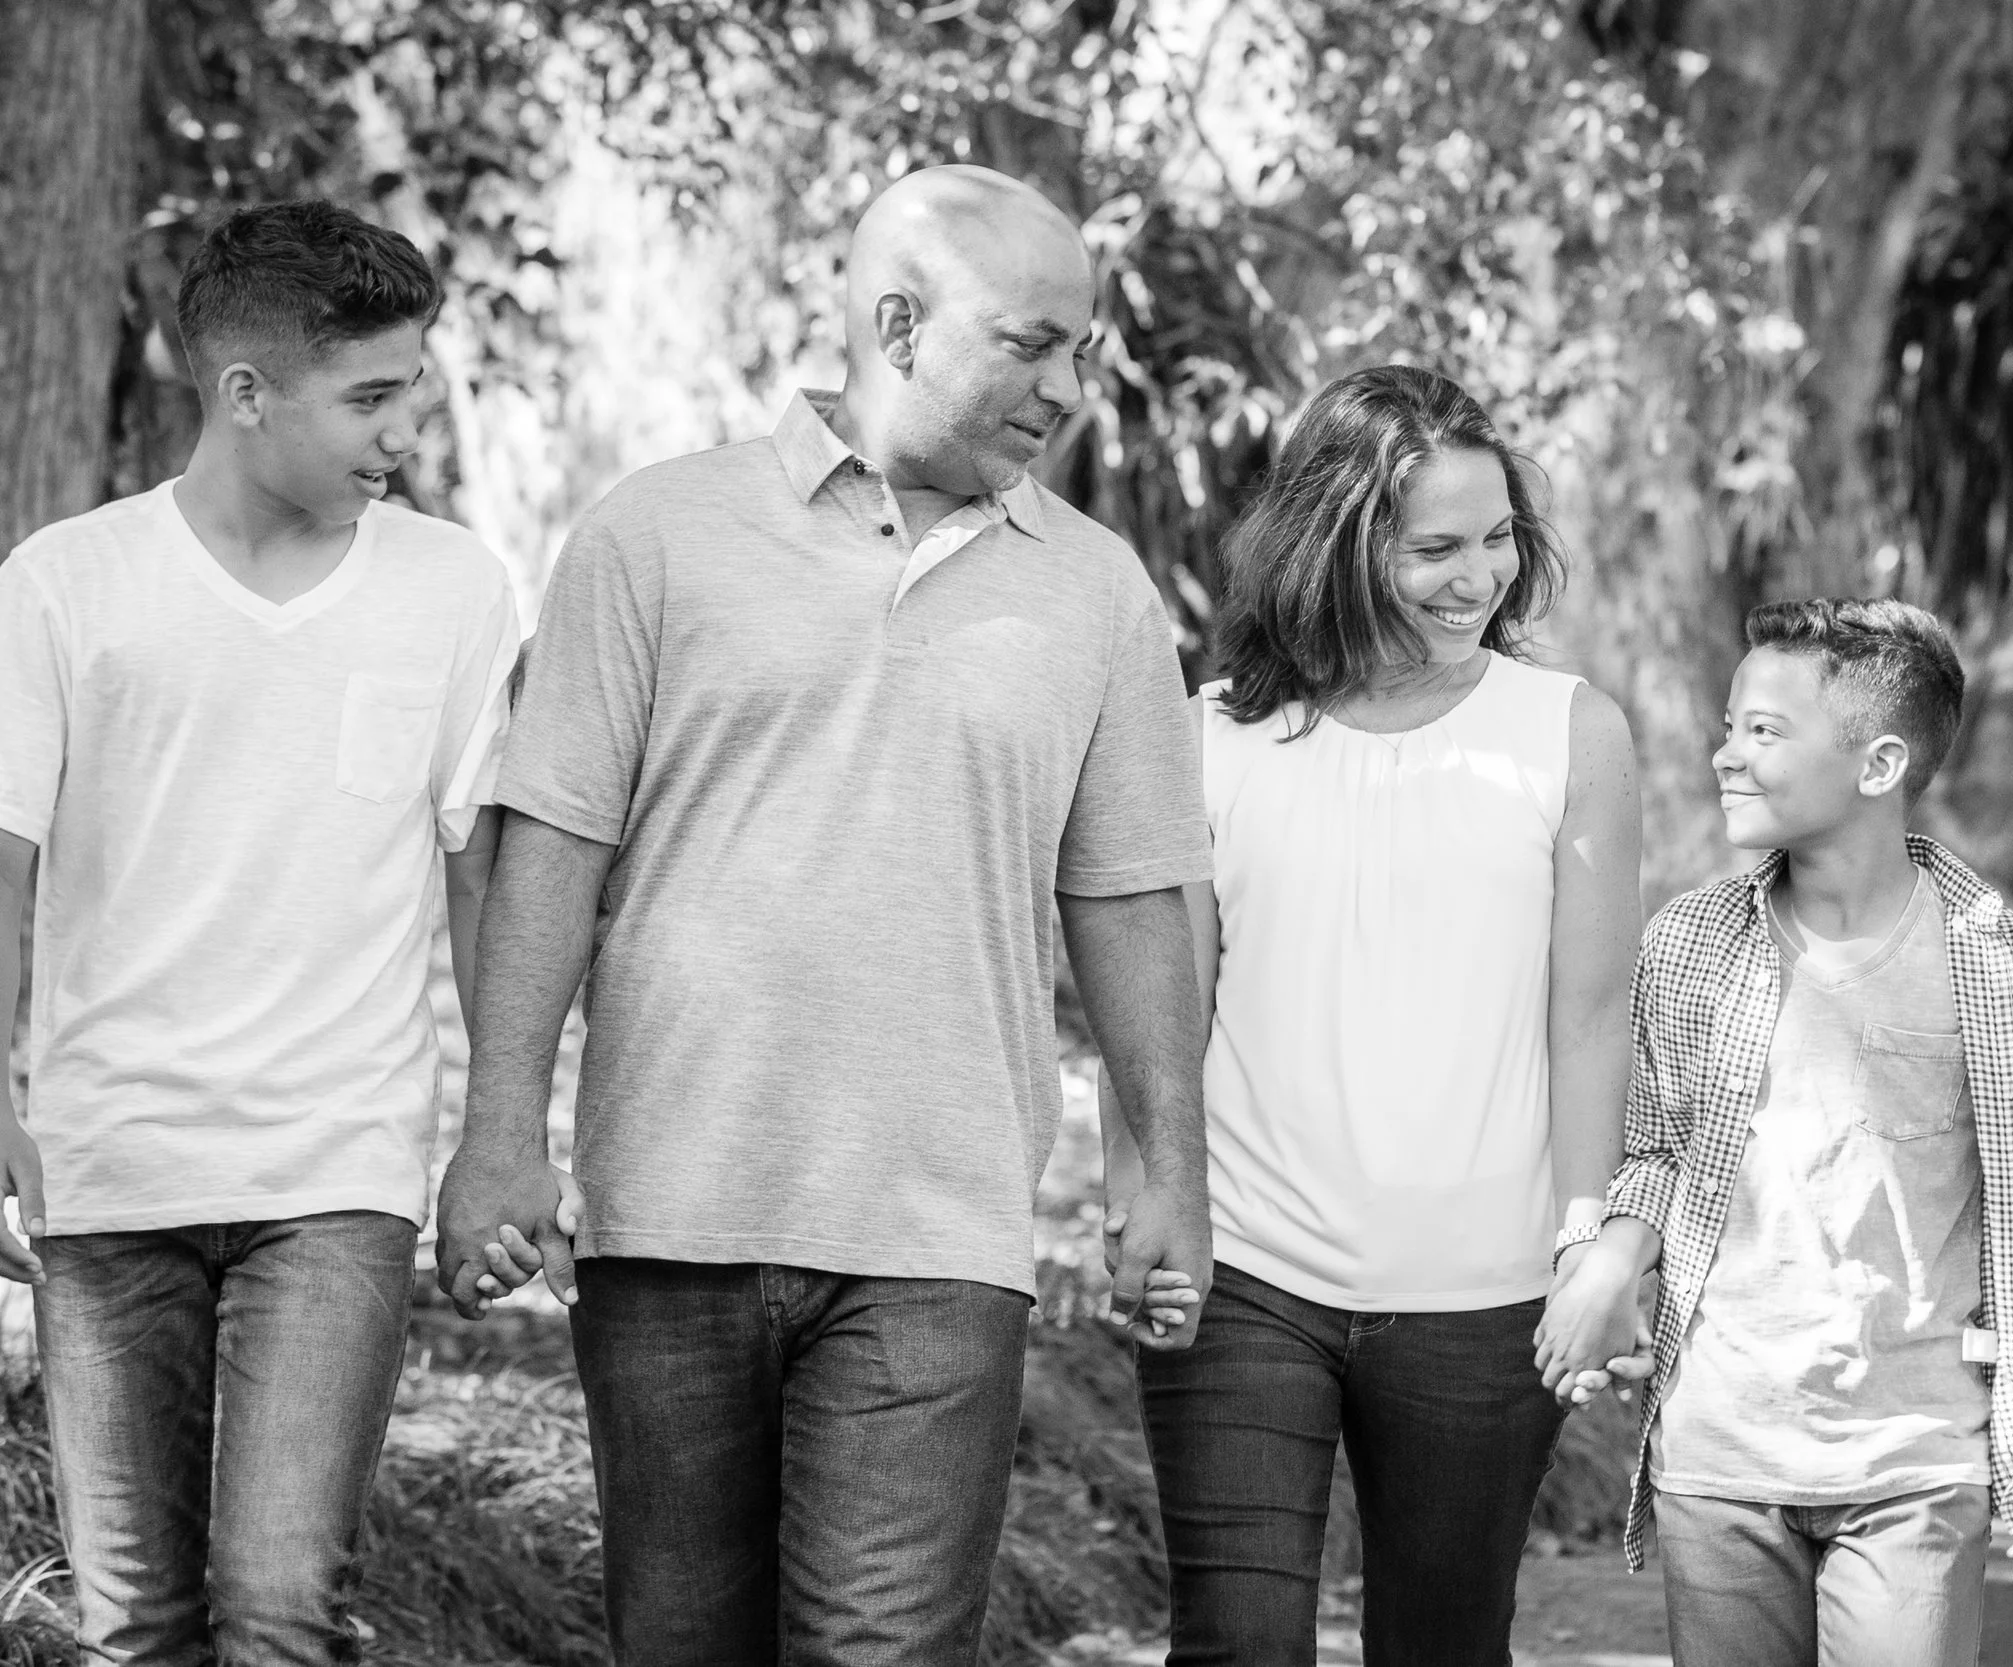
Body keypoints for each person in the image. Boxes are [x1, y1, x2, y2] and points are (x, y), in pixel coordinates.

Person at [433, 164, 1214, 1666]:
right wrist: (496, 1136)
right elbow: (553, 847)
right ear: (901, 322)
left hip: (940, 1231)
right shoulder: (654, 535)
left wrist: (1167, 1162)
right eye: (1033, 344)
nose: (1068, 388)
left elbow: (1127, 896)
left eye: (1087, 352)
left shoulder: (1101, 594)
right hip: (673, 1210)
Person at [0, 201, 520, 1663]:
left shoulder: (455, 589)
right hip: (115, 1165)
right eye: (370, 394)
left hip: (336, 1170)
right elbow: (4, 863)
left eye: (412, 385)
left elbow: (480, 873)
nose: (406, 426)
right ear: (244, 394)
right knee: (137, 1624)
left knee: (284, 1604)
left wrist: (503, 1135)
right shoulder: (66, 584)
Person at [1102, 364, 1646, 1667]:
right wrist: (1140, 1199)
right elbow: (1161, 1006)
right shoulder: (1216, 735)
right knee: (1236, 1643)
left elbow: (1592, 1016)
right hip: (1246, 1276)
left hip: (1489, 1294)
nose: (1482, 577)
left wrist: (1592, 1240)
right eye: (1436, 548)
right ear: (1339, 546)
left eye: (1501, 537)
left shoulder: (1572, 732)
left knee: (1443, 1646)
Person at [1561, 597, 2013, 1665]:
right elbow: (1654, 1148)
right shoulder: (1690, 945)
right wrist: (1611, 1261)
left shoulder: (2004, 964)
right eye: (1729, 724)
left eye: (1763, 731)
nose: (1725, 756)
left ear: (1878, 764)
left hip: (1916, 1462)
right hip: (1719, 1457)